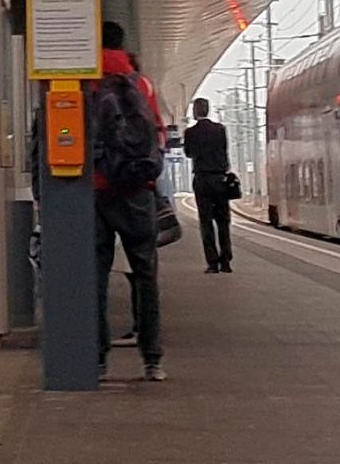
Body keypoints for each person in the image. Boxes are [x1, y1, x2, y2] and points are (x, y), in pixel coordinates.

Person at [87, 22, 166, 381]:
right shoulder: (142, 84)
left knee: (96, 276)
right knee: (146, 273)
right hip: (137, 189)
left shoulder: (83, 82)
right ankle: (152, 359)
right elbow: (159, 133)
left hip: (96, 188)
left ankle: (99, 359)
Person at [181, 94, 236, 273]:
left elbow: (189, 153)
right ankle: (226, 261)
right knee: (223, 221)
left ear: (196, 112)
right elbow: (224, 150)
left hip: (202, 179)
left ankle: (212, 263)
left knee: (206, 222)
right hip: (220, 179)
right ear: (208, 110)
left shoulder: (190, 133)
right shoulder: (220, 129)